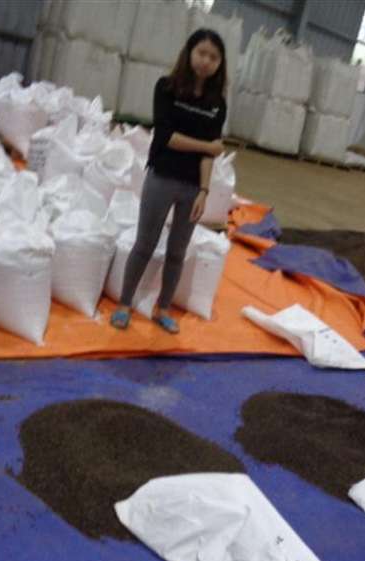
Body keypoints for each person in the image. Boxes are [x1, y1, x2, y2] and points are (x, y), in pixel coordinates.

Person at [111, 29, 228, 334]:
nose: (206, 61)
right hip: (161, 177)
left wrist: (204, 191)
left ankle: (163, 308)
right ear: (189, 53)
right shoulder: (167, 88)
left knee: (178, 251)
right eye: (201, 53)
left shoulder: (217, 104)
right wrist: (208, 146)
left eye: (214, 57)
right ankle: (124, 304)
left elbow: (210, 156)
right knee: (145, 244)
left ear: (220, 64)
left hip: (192, 187)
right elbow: (166, 137)